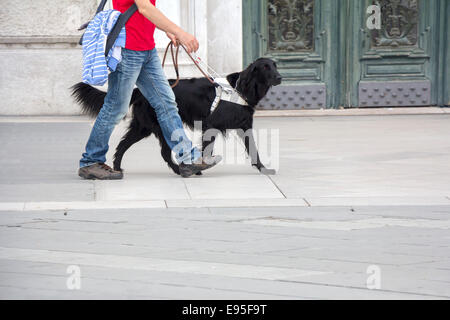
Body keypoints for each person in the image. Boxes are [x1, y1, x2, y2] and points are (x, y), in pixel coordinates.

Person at [78, 0, 221, 180]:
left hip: (146, 49)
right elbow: (144, 7)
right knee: (115, 108)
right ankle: (91, 161)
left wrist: (166, 29)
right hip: (128, 49)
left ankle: (188, 159)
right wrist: (180, 32)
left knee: (166, 103)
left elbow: (146, 11)